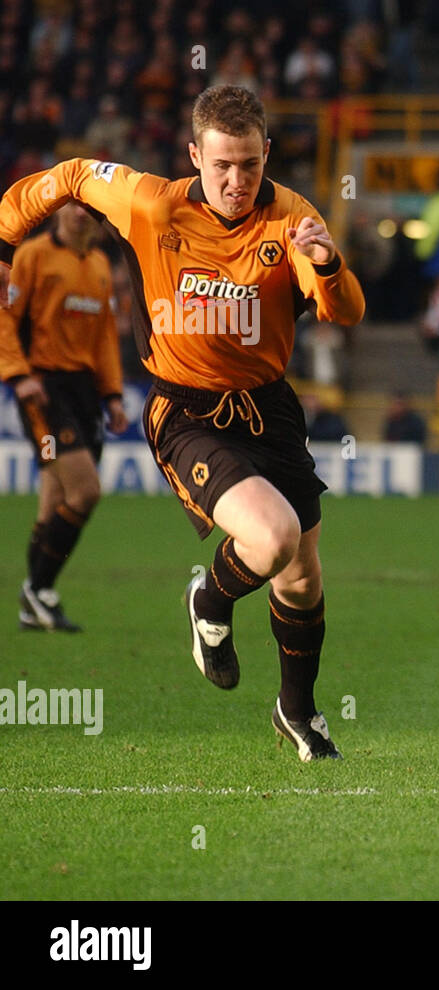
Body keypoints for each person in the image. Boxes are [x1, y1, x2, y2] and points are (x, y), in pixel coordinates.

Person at [0, 85, 366, 761]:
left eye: (250, 165)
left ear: (267, 155)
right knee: (274, 537)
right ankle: (210, 602)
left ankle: (298, 710)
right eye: (222, 164)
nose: (236, 180)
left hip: (269, 408)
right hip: (188, 410)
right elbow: (73, 175)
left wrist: (327, 263)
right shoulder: (150, 203)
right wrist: (5, 231)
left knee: (303, 577)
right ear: (194, 154)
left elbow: (344, 311)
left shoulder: (291, 218)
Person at [0, 203, 129, 631]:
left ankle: (33, 604)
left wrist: (112, 394)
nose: (79, 213)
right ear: (56, 212)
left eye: (89, 207)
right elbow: (5, 314)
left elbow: (106, 334)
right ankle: (39, 590)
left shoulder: (98, 264)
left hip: (84, 393)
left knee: (55, 498)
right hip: (44, 391)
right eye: (71, 204)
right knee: (86, 490)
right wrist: (18, 376)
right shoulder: (32, 256)